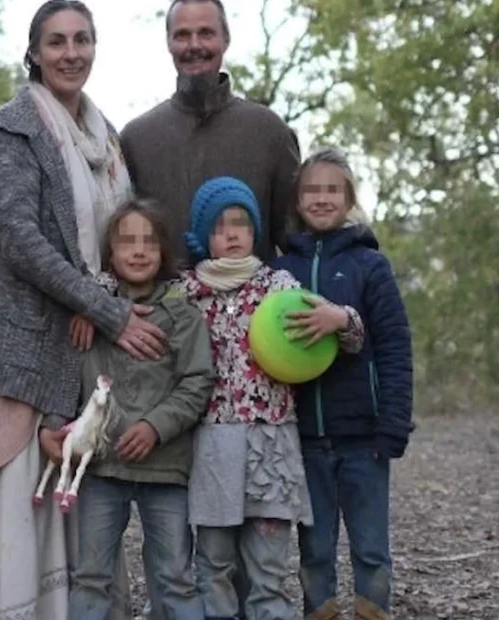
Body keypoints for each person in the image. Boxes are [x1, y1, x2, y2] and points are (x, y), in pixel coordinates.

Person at [0, 2, 166, 618]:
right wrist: (103, 308)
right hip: (28, 347)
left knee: (86, 506)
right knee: (27, 507)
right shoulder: (15, 128)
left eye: (82, 39)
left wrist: (102, 299)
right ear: (34, 52)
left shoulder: (105, 136)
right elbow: (19, 239)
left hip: (85, 346)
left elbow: (115, 240)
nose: (70, 52)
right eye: (56, 42)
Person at [176, 176, 364, 620]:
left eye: (241, 223)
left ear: (254, 230)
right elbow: (136, 315)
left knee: (268, 566)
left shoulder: (278, 286)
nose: (233, 233)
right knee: (214, 564)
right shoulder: (184, 293)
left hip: (271, 445)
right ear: (205, 235)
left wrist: (342, 318)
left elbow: (347, 335)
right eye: (221, 226)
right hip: (211, 443)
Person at [272, 148, 414, 620]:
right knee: (314, 550)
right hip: (305, 440)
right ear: (296, 199)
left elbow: (394, 347)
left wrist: (393, 424)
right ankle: (320, 611)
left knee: (371, 547)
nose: (321, 198)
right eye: (312, 189)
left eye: (332, 189)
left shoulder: (370, 266)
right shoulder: (279, 271)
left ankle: (374, 609)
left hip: (364, 436)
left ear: (349, 196)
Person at [69, 198, 214, 620]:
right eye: (126, 241)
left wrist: (155, 426)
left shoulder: (183, 315)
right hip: (100, 467)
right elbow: (69, 376)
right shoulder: (89, 316)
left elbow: (198, 381)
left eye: (149, 241)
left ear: (164, 252)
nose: (138, 250)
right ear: (110, 253)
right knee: (91, 576)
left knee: (175, 577)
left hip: (165, 468)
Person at [119, 0, 300, 267]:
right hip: (161, 306)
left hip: (255, 305)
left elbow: (299, 243)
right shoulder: (136, 140)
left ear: (226, 40)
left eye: (206, 33)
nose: (194, 45)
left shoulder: (270, 133)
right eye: (182, 35)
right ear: (169, 43)